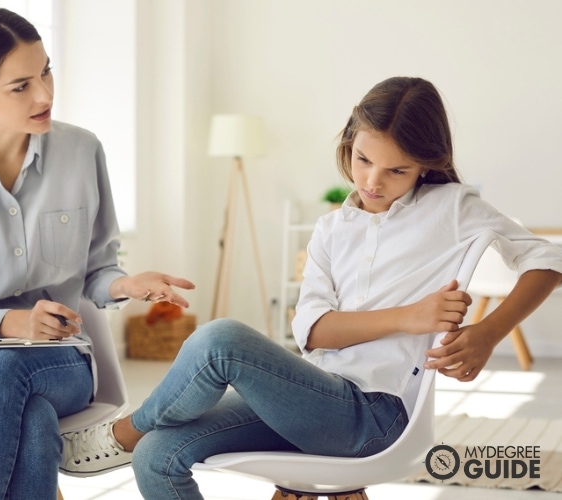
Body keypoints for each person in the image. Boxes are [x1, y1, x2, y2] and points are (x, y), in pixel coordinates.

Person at [59, 76, 562, 499]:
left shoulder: (452, 208)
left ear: (426, 164)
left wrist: (489, 332)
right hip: (317, 399)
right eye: (363, 159)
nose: (372, 181)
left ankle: (123, 432)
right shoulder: (331, 230)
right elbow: (314, 333)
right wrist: (411, 316)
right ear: (349, 140)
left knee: (220, 342)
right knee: (158, 455)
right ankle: (139, 439)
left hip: (376, 417)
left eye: (397, 170)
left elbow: (548, 258)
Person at [0, 7, 194, 500]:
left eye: (47, 71)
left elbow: (98, 268)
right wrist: (11, 324)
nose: (46, 94)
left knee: (5, 372)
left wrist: (124, 285)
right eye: (21, 86)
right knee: (30, 420)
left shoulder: (82, 152)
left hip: (56, 360)